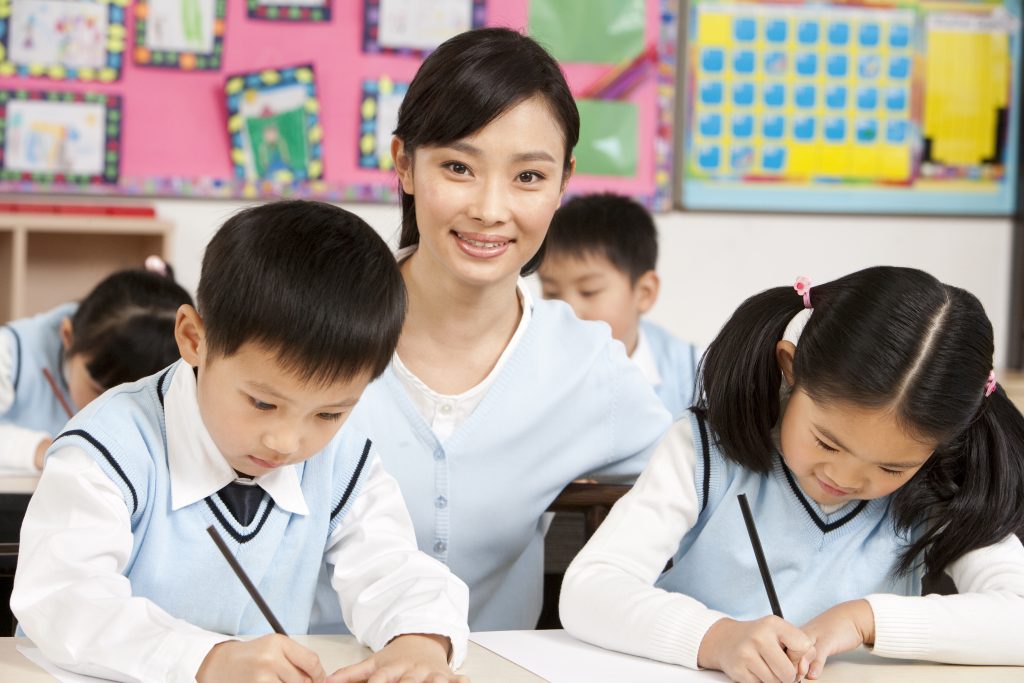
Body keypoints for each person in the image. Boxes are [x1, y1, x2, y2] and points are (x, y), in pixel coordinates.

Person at [12, 200, 470, 683]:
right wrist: (206, 659)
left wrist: (420, 641)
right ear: (193, 338)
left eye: (330, 412)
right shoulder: (109, 449)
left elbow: (392, 566)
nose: (287, 441)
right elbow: (64, 599)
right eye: (262, 403)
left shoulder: (339, 462)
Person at [346, 27, 672, 631]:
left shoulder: (583, 365)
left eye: (528, 177)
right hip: (311, 667)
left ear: (564, 181)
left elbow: (700, 476)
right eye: (458, 167)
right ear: (404, 164)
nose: (491, 209)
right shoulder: (314, 324)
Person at [560, 266, 1024, 682]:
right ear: (790, 368)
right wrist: (717, 639)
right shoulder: (704, 451)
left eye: (890, 467)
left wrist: (863, 620)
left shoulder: (940, 479)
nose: (844, 476)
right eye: (826, 442)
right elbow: (590, 588)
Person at [0, 259, 193, 471]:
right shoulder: (12, 351)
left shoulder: (182, 377)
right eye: (99, 391)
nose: (114, 411)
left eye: (137, 399)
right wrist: (45, 450)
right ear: (68, 337)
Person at [538, 192, 700, 419]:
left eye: (589, 291)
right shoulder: (530, 366)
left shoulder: (695, 378)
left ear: (644, 293)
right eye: (551, 292)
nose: (566, 309)